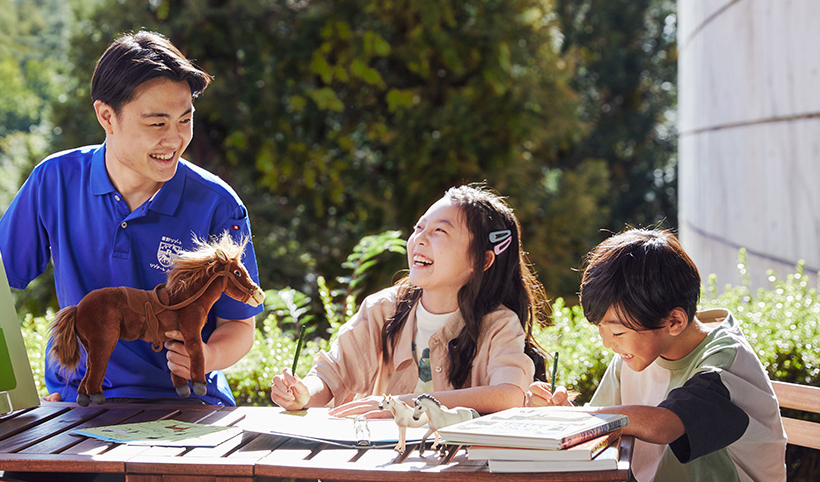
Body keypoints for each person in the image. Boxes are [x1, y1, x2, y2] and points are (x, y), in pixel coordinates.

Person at [0, 30, 263, 406]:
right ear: (107, 116)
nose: (174, 139)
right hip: (78, 404)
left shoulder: (218, 204)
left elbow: (238, 324)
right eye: (157, 124)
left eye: (184, 120)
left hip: (185, 409)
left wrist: (210, 356)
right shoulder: (54, 181)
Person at [528, 229, 786, 482]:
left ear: (674, 321)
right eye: (600, 329)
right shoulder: (634, 355)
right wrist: (563, 413)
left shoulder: (725, 361)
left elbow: (665, 425)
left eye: (617, 332)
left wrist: (574, 419)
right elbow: (606, 421)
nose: (607, 343)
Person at [271, 183, 547, 417]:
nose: (420, 239)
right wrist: (304, 394)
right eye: (419, 228)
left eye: (440, 231)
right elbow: (331, 374)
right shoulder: (381, 309)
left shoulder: (499, 325)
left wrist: (397, 405)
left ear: (481, 259)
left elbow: (508, 395)